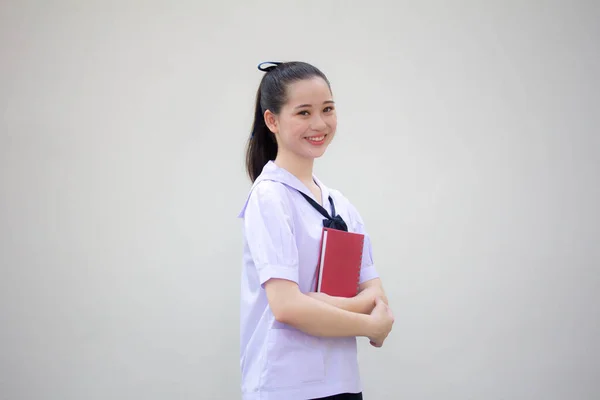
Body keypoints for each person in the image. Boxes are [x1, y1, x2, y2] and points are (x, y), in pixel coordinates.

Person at [237, 61, 395, 400]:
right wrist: (368, 322)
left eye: (327, 109)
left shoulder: (341, 205)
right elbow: (287, 308)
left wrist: (319, 302)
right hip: (284, 385)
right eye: (304, 112)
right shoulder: (270, 196)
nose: (319, 123)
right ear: (272, 120)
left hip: (343, 384)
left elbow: (377, 297)